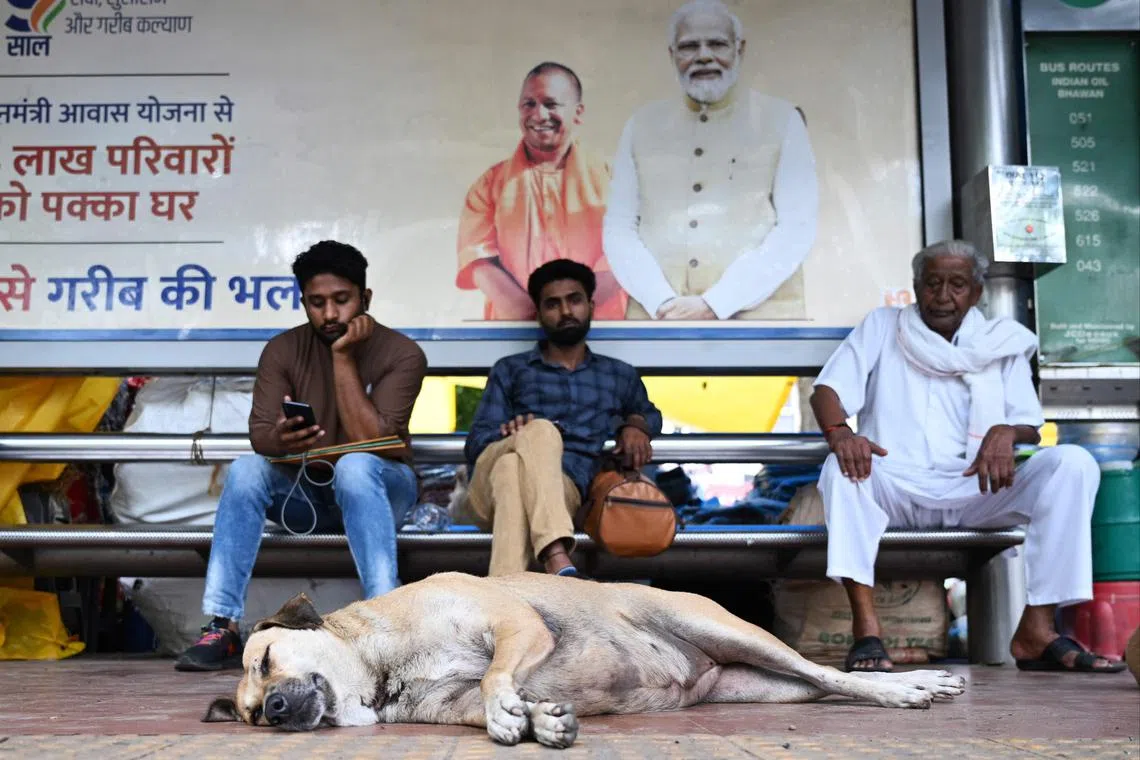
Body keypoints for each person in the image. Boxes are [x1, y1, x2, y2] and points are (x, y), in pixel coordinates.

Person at [811, 239, 1123, 674]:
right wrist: (841, 433)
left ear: (976, 293)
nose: (943, 295)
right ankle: (867, 633)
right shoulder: (883, 326)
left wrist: (1005, 431)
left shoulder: (1000, 341)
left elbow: (1029, 423)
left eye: (957, 284)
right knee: (840, 468)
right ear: (916, 287)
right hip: (897, 488)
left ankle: (1037, 629)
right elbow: (827, 389)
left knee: (1073, 464)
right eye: (933, 283)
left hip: (976, 490)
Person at [175, 240, 427, 671]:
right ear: (303, 302)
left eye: (341, 301)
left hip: (382, 494)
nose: (330, 315)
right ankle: (222, 624)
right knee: (247, 469)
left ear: (364, 299)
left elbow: (371, 442)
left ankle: (388, 621)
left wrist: (343, 357)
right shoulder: (282, 350)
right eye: (317, 303)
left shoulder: (403, 353)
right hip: (306, 498)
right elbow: (260, 439)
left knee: (355, 466)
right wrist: (282, 438)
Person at [603, 0, 818, 321]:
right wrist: (661, 301)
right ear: (672, 54)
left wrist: (717, 302)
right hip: (658, 323)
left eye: (717, 44)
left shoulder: (782, 120)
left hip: (761, 327)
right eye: (689, 46)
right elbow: (619, 228)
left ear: (739, 50)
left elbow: (796, 228)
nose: (703, 56)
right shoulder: (642, 125)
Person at [462, 258, 662, 577]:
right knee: (537, 433)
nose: (566, 311)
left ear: (591, 306)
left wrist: (636, 425)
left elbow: (650, 414)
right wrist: (513, 434)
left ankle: (503, 597)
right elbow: (475, 445)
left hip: (564, 488)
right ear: (539, 313)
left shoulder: (617, 375)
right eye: (553, 304)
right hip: (488, 493)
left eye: (574, 300)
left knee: (512, 470)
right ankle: (555, 551)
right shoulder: (512, 370)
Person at [456, 62, 627, 321]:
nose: (539, 115)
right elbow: (479, 262)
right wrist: (532, 315)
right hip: (515, 332)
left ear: (578, 112)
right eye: (529, 104)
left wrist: (573, 314)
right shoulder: (490, 185)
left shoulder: (612, 180)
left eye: (551, 104)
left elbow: (623, 255)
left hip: (599, 327)